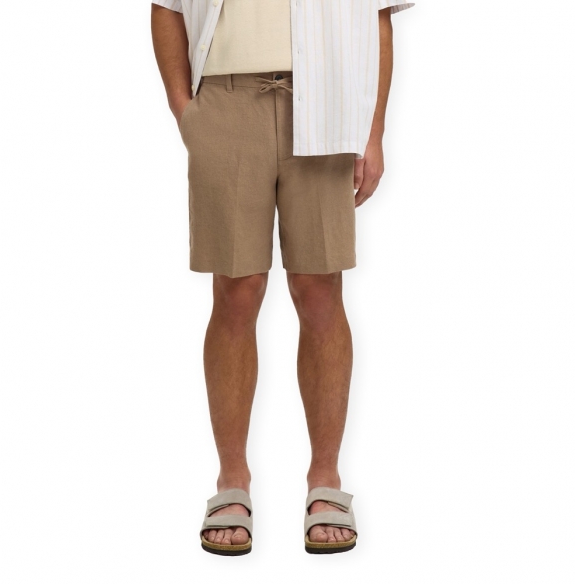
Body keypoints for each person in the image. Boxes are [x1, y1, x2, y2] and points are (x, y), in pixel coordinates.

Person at [151, 0, 415, 556]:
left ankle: (326, 479)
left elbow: (378, 14)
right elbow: (165, 5)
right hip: (226, 101)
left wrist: (373, 130)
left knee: (320, 290)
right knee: (236, 290)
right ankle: (232, 480)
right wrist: (184, 110)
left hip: (325, 99)